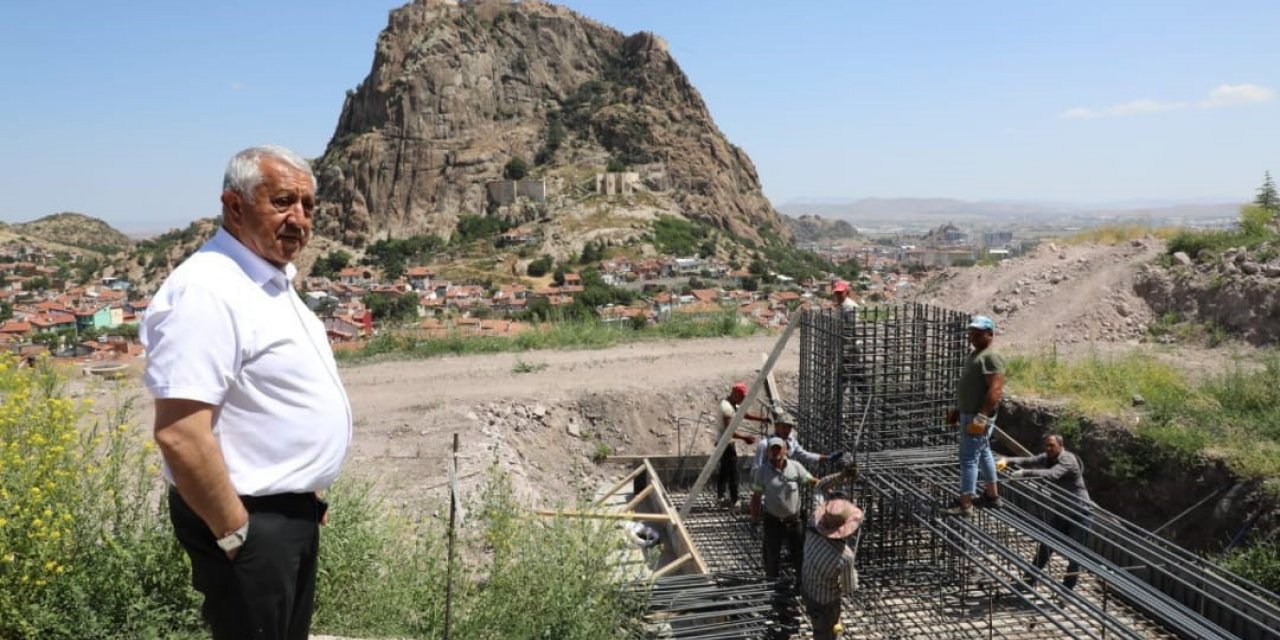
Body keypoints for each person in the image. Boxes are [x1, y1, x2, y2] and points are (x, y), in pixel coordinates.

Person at [142, 145, 353, 640]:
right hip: (247, 522)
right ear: (234, 206)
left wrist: (306, 495)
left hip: (283, 516)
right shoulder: (208, 290)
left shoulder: (267, 282)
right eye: (282, 202)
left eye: (307, 205)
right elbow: (180, 433)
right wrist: (237, 532)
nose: (299, 218)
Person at [1001, 434, 1094, 590]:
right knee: (1045, 547)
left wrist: (1025, 473)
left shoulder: (1067, 459)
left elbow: (1052, 475)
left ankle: (1067, 590)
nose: (1048, 448)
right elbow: (1029, 460)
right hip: (1062, 512)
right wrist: (1007, 460)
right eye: (1046, 445)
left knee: (1075, 555)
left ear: (1061, 446)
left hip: (1080, 513)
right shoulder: (1048, 457)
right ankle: (1028, 581)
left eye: (1052, 445)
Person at [943, 315, 1005, 516]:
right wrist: (959, 409)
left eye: (978, 334)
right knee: (984, 451)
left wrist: (982, 416)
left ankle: (965, 504)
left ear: (990, 334)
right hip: (969, 413)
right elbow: (971, 386)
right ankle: (992, 496)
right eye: (971, 333)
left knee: (968, 457)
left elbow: (995, 389)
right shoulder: (976, 354)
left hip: (978, 416)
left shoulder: (991, 356)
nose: (973, 337)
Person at [802, 470, 863, 640]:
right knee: (826, 633)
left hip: (807, 587)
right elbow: (849, 589)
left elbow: (819, 486)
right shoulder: (844, 557)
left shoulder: (813, 521)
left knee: (816, 621)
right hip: (826, 603)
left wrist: (841, 476)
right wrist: (852, 571)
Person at [750, 437, 823, 580]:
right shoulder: (762, 471)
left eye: (779, 449)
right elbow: (756, 497)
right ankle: (772, 583)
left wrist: (831, 482)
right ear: (768, 452)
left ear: (786, 450)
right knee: (772, 555)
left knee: (799, 555)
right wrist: (755, 520)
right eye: (773, 449)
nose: (776, 452)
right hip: (773, 521)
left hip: (793, 521)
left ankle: (801, 583)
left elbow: (812, 481)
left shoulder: (795, 467)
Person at [716, 382, 764, 508]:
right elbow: (729, 431)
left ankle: (720, 497)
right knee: (733, 473)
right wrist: (745, 438)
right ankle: (734, 500)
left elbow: (744, 414)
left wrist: (761, 419)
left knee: (724, 471)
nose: (743, 399)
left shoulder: (731, 404)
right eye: (742, 396)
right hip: (725, 444)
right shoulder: (726, 408)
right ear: (736, 393)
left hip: (725, 442)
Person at [751, 417, 844, 474]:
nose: (786, 430)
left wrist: (827, 458)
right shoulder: (764, 444)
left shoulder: (791, 441)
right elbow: (756, 469)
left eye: (789, 427)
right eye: (784, 427)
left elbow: (804, 455)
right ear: (776, 426)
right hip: (769, 484)